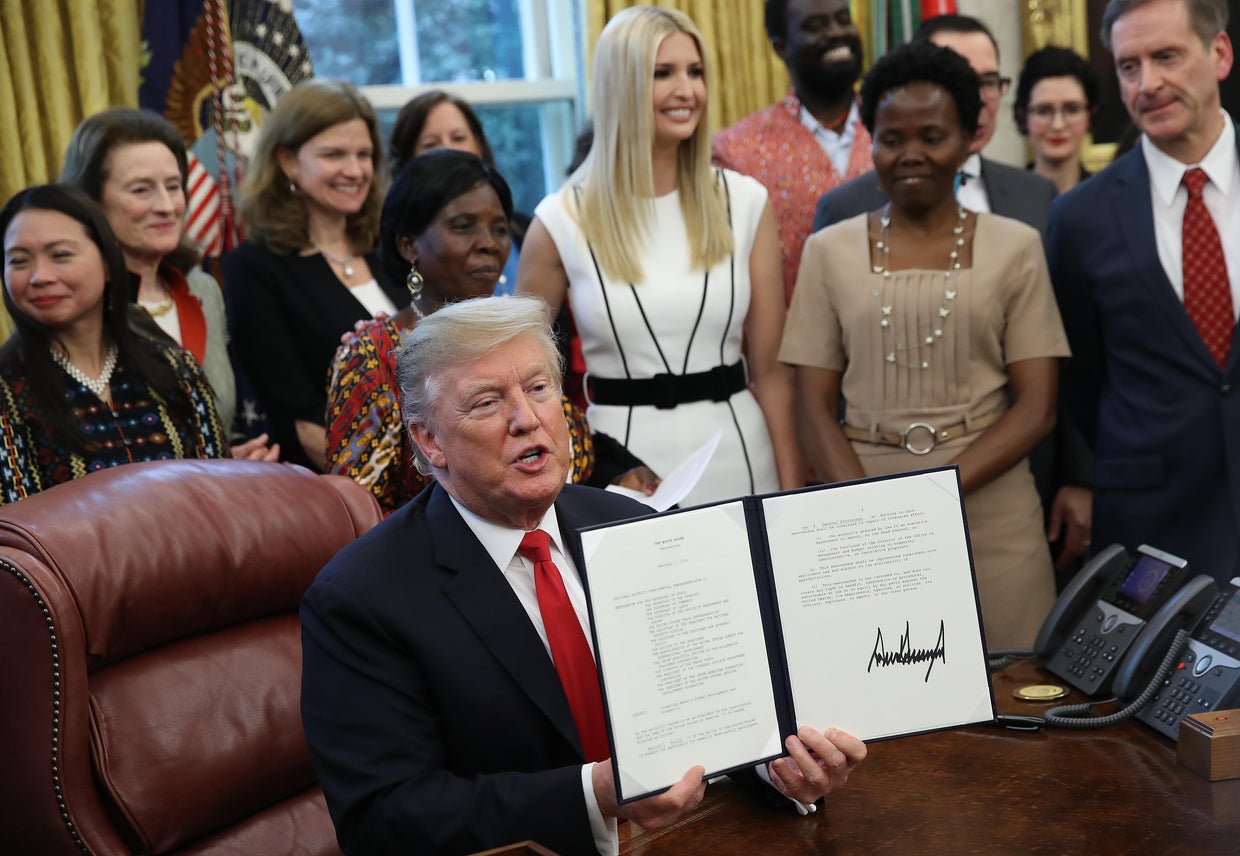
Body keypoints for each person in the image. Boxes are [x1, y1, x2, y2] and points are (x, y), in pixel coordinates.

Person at [301, 296, 867, 855]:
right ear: (429, 440)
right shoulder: (362, 597)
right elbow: (383, 819)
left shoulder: (632, 526)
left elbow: (710, 709)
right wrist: (593, 795)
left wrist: (777, 769)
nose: (526, 419)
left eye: (538, 388)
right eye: (487, 402)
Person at [780, 41, 1070, 649]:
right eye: (891, 139)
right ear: (873, 143)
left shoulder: (1016, 245)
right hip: (864, 512)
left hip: (994, 515)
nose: (910, 154)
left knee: (1015, 691)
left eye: (932, 136)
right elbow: (812, 406)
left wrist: (936, 494)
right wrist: (873, 509)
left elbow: (1038, 407)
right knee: (882, 694)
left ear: (968, 139)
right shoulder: (828, 250)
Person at [518, 6, 801, 507]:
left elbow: (773, 372)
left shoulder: (746, 201)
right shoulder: (560, 219)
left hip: (741, 455)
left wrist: (793, 493)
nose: (687, 90)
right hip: (622, 467)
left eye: (696, 72)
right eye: (662, 73)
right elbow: (523, 380)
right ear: (620, 85)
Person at [326, 149, 653, 512]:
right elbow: (356, 509)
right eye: (463, 226)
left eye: (499, 229)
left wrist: (618, 475)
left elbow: (569, 457)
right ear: (409, 245)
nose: (489, 243)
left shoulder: (520, 337)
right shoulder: (376, 352)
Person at [1047, 0, 1240, 585]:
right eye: (1129, 66)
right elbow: (1081, 379)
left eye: (1167, 57)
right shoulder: (1079, 218)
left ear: (1220, 54)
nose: (1147, 83)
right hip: (1157, 529)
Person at [59, 108, 276, 461]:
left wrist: (235, 458)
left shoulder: (202, 289)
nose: (166, 206)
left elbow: (213, 421)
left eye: (173, 186)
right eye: (141, 190)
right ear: (92, 201)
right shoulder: (74, 304)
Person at [0, 184, 227, 502]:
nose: (40, 276)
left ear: (108, 261)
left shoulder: (175, 369)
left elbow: (223, 498)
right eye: (19, 261)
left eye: (60, 255)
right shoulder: (7, 388)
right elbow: (13, 523)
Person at [224, 79, 407, 471]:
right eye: (333, 154)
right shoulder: (254, 269)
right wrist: (403, 485)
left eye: (364, 154)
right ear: (288, 161)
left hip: (435, 466)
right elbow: (302, 421)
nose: (354, 170)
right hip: (345, 484)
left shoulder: (390, 246)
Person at [813, 14, 1058, 239]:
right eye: (958, 81)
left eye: (989, 81)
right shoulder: (844, 208)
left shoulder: (1037, 195)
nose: (978, 99)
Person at [712, 0, 874, 303]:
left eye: (843, 19)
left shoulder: (898, 127)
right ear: (781, 48)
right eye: (815, 26)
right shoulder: (736, 150)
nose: (836, 32)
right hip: (792, 330)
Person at [388, 90, 526, 293]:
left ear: (479, 146)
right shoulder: (388, 252)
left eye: (458, 138)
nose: (447, 149)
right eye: (430, 144)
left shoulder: (526, 230)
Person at [1014, 46, 1101, 194]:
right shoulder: (1002, 200)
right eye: (1043, 111)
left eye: (1072, 109)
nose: (1058, 125)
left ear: (1091, 114)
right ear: (1023, 117)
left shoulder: (1107, 197)